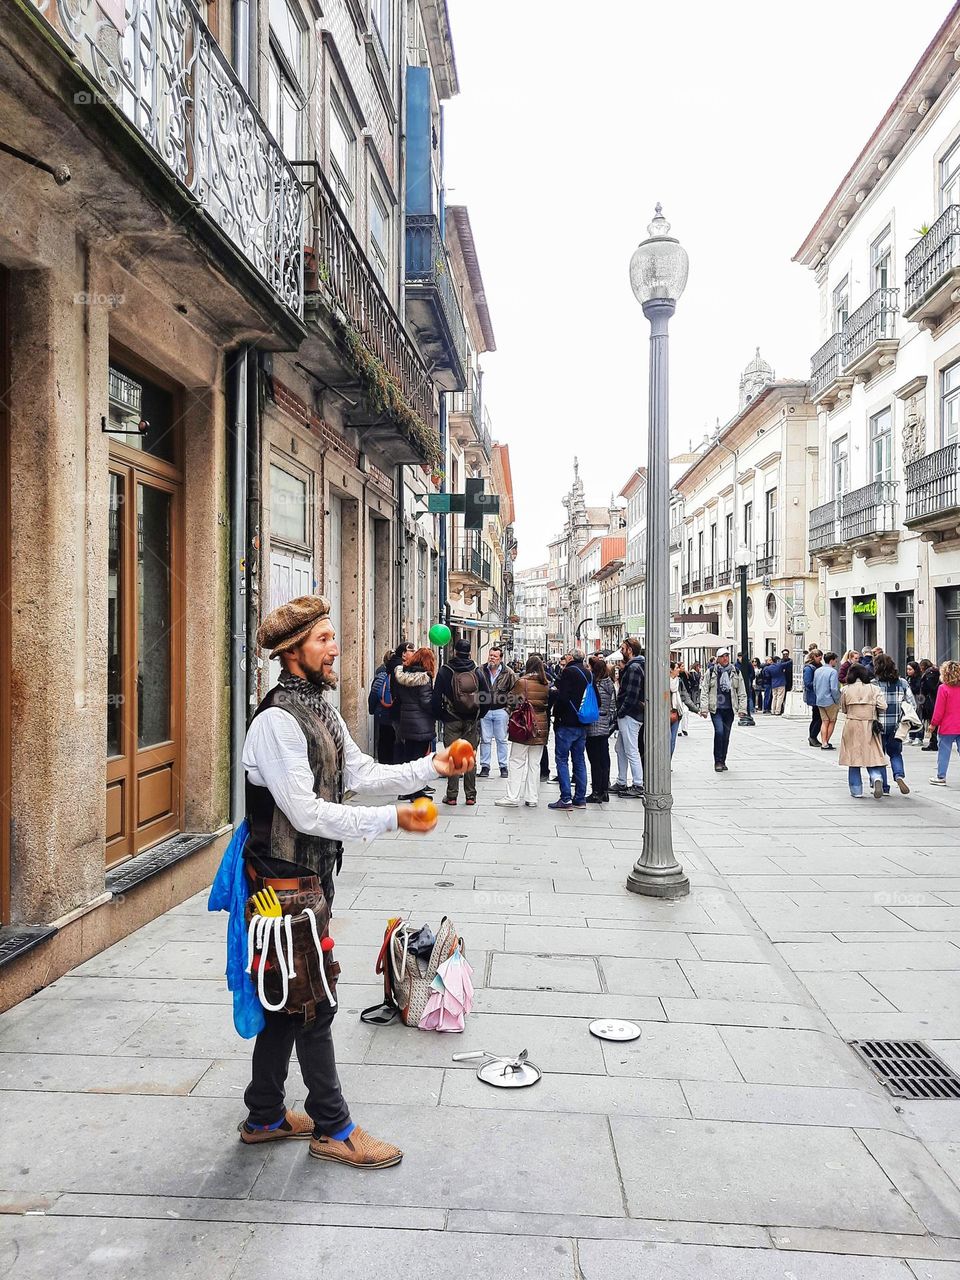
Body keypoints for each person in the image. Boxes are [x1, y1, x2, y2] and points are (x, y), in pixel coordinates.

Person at [239, 595, 468, 1166]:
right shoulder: (275, 722)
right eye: (322, 640)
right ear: (292, 653)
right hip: (281, 884)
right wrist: (393, 818)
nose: (334, 646)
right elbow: (307, 812)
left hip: (310, 878)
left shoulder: (322, 708)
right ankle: (333, 1128)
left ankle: (265, 1113)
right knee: (312, 1001)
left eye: (331, 636)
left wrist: (429, 769)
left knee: (289, 999)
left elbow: (357, 772)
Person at [433, 637, 483, 807]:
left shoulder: (445, 671)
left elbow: (435, 697)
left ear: (454, 651)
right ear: (469, 653)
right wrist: (479, 714)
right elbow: (487, 697)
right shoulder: (477, 671)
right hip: (471, 721)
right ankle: (470, 796)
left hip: (451, 719)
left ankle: (452, 796)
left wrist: (442, 715)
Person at [497, 655, 551, 808]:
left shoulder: (522, 682)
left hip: (523, 726)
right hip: (540, 726)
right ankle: (532, 797)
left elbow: (510, 700)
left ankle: (513, 796)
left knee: (516, 761)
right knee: (534, 764)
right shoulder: (546, 683)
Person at [548, 648, 592, 810]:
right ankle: (580, 798)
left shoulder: (569, 672)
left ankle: (565, 798)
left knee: (562, 759)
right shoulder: (588, 673)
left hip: (567, 722)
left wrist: (556, 714)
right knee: (579, 759)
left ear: (570, 657)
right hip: (582, 721)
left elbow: (563, 697)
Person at [838, 662, 888, 798]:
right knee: (870, 755)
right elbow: (883, 706)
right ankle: (876, 777)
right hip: (870, 724)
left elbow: (843, 708)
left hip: (852, 724)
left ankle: (856, 790)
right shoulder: (874, 688)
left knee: (853, 758)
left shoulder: (846, 689)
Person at [873, 653, 915, 796]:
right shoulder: (902, 682)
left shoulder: (874, 684)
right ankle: (899, 776)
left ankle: (884, 787)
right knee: (896, 753)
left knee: (880, 756)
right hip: (897, 727)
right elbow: (912, 704)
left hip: (878, 726)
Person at [700, 649, 747, 772]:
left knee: (726, 736)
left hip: (729, 708)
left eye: (727, 656)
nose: (725, 658)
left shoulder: (735, 672)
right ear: (718, 659)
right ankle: (718, 761)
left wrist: (742, 709)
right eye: (722, 656)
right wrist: (704, 708)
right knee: (719, 732)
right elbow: (704, 690)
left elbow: (741, 691)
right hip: (716, 709)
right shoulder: (711, 672)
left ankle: (723, 760)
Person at [612, 636, 645, 798]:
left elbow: (631, 695)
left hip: (631, 714)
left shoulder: (634, 668)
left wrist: (621, 711)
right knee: (620, 748)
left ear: (630, 650)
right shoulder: (636, 666)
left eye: (623, 649)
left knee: (631, 749)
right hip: (631, 713)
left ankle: (638, 783)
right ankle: (621, 780)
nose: (621, 651)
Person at [477, 646, 517, 779]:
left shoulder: (508, 673)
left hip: (501, 710)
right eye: (490, 655)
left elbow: (514, 691)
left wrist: (508, 709)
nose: (492, 658)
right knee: (485, 739)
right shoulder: (480, 670)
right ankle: (485, 766)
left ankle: (503, 766)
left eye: (495, 656)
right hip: (485, 710)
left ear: (500, 658)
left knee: (501, 739)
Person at [585, 655, 616, 803]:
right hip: (605, 725)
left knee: (595, 760)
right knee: (604, 758)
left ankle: (596, 791)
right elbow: (612, 704)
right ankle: (604, 790)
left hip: (593, 724)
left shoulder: (593, 684)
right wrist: (608, 718)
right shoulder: (609, 683)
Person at [930, 659, 960, 785]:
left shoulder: (943, 688)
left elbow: (939, 709)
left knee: (944, 751)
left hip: (948, 726)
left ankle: (941, 776)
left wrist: (933, 724)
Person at [367, 649, 396, 764]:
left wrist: (372, 710)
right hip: (395, 714)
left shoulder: (380, 675)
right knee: (394, 740)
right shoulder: (399, 675)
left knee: (383, 740)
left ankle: (384, 764)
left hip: (382, 714)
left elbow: (373, 694)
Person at [813, 652, 841, 750]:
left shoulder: (818, 671)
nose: (836, 662)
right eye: (835, 660)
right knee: (832, 721)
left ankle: (823, 742)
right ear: (831, 660)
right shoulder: (833, 672)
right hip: (830, 700)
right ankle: (826, 742)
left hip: (820, 699)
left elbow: (814, 686)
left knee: (824, 721)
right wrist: (837, 699)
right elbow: (834, 688)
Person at [670, 660, 698, 756]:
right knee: (665, 740)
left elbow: (686, 698)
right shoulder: (662, 682)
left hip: (676, 714)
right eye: (677, 668)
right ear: (671, 670)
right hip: (663, 715)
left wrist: (696, 710)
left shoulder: (679, 682)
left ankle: (667, 763)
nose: (678, 670)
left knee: (672, 741)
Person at [920, 659, 941, 753]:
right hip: (933, 699)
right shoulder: (936, 673)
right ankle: (934, 742)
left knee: (932, 721)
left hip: (930, 701)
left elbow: (929, 687)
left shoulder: (929, 674)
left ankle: (933, 742)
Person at [803, 649, 823, 747]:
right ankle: (812, 736)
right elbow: (808, 683)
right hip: (814, 696)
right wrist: (819, 683)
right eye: (818, 656)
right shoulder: (809, 668)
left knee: (816, 717)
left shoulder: (820, 666)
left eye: (821, 656)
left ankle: (812, 737)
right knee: (818, 718)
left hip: (819, 694)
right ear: (813, 657)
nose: (820, 658)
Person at [905, 660, 924, 745]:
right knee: (910, 717)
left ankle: (919, 737)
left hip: (918, 699)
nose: (908, 671)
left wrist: (910, 685)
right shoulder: (908, 678)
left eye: (910, 669)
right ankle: (911, 736)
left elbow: (916, 689)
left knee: (918, 718)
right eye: (907, 669)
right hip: (910, 699)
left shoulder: (918, 678)